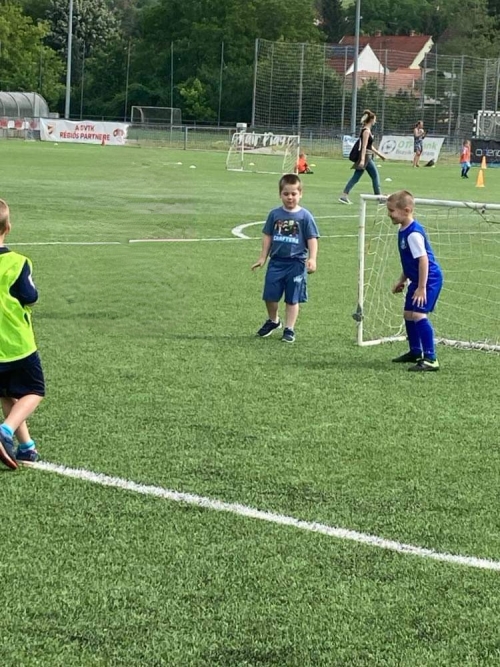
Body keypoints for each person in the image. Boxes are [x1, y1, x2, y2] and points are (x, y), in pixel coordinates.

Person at [0, 199, 44, 469]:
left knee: (7, 393)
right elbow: (30, 297)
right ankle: (4, 431)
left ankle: (26, 448)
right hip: (16, 344)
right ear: (8, 228)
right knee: (35, 390)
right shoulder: (18, 263)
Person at [252, 174, 319, 343]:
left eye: (294, 194)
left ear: (300, 194)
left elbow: (312, 238)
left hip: (296, 263)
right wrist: (262, 257)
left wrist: (312, 259)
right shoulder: (274, 214)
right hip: (276, 262)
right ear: (280, 194)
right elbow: (268, 235)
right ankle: (273, 320)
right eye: (286, 194)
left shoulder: (305, 216)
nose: (290, 197)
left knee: (292, 298)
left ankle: (289, 328)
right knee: (270, 296)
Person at [387, 190, 443, 372]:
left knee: (418, 315)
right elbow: (410, 261)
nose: (389, 214)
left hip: (429, 279)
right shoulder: (403, 230)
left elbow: (423, 261)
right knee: (408, 314)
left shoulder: (413, 234)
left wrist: (421, 288)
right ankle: (415, 351)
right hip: (417, 279)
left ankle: (431, 358)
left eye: (392, 210)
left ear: (406, 210)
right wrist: (401, 280)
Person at [339, 109, 386, 205]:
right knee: (375, 176)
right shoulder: (366, 131)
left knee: (356, 177)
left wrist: (379, 154)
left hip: (367, 157)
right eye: (374, 119)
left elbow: (369, 146)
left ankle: (344, 195)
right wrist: (362, 160)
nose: (375, 121)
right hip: (366, 157)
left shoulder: (367, 130)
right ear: (371, 119)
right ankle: (379, 197)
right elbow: (364, 146)